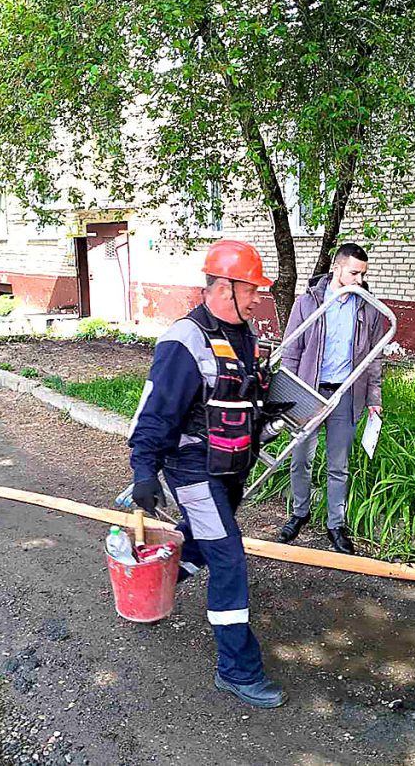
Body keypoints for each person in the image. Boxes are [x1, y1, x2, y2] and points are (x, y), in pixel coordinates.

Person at [128, 238, 287, 709]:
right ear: (224, 287)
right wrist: (144, 472)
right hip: (192, 468)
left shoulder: (242, 333)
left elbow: (238, 395)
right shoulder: (184, 340)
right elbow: (154, 414)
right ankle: (237, 670)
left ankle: (149, 586)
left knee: (198, 539)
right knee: (228, 558)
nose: (258, 297)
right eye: (253, 288)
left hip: (230, 465)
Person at [277, 243, 386, 555]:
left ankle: (335, 524)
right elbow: (292, 350)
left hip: (346, 393)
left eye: (363, 274)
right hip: (309, 391)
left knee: (339, 465)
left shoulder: (367, 307)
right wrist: (289, 393)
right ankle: (299, 513)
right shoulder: (308, 302)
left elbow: (374, 357)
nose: (359, 280)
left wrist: (373, 397)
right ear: (336, 268)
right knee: (301, 459)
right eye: (354, 273)